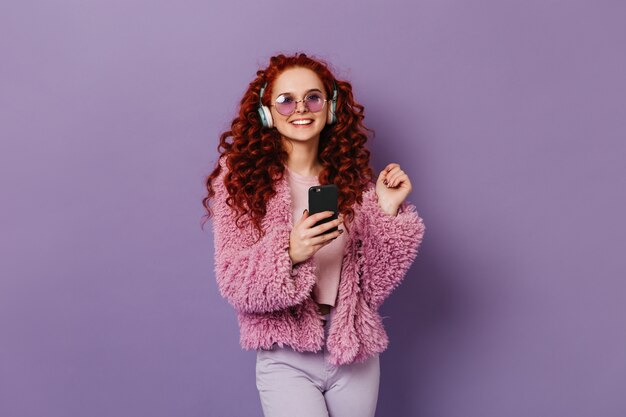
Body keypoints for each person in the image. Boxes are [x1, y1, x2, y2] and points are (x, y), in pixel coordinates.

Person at [202, 52, 425, 417]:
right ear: (266, 112)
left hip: (352, 350)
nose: (301, 108)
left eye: (313, 97)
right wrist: (291, 250)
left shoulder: (353, 183)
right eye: (286, 101)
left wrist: (386, 209)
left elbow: (374, 286)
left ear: (331, 107)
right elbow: (232, 282)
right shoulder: (240, 182)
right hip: (286, 355)